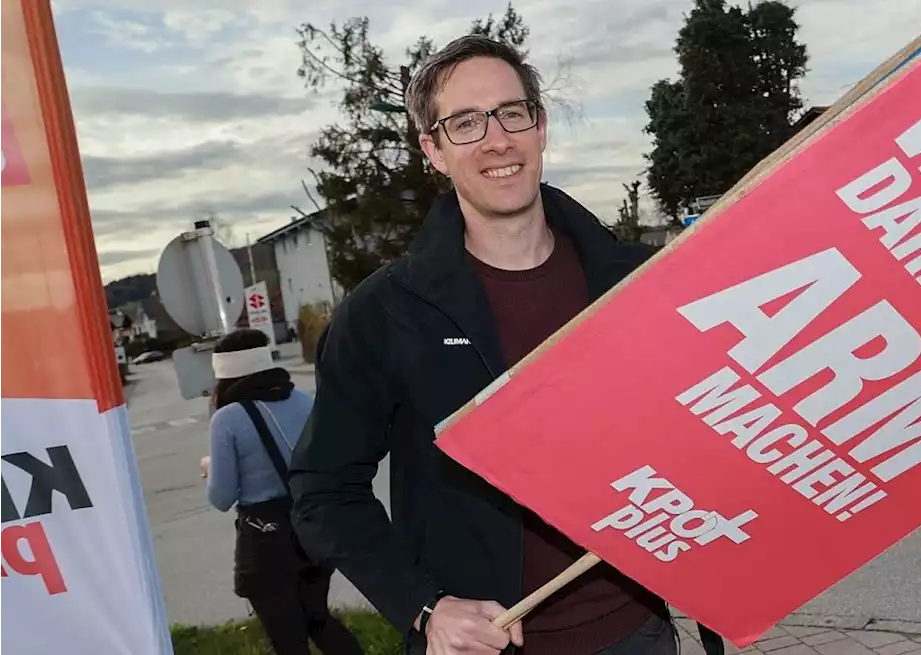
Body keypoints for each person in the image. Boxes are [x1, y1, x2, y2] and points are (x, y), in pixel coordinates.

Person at [287, 35, 724, 655]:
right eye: (464, 123)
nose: (497, 140)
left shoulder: (636, 283)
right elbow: (323, 490)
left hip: (638, 633)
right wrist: (422, 606)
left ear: (540, 127)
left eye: (511, 113)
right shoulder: (385, 312)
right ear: (432, 150)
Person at [201, 328, 364, 655]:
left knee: (287, 638)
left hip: (266, 542)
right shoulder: (304, 400)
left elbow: (221, 497)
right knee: (317, 618)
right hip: (313, 528)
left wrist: (209, 469)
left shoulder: (228, 419)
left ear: (224, 377)